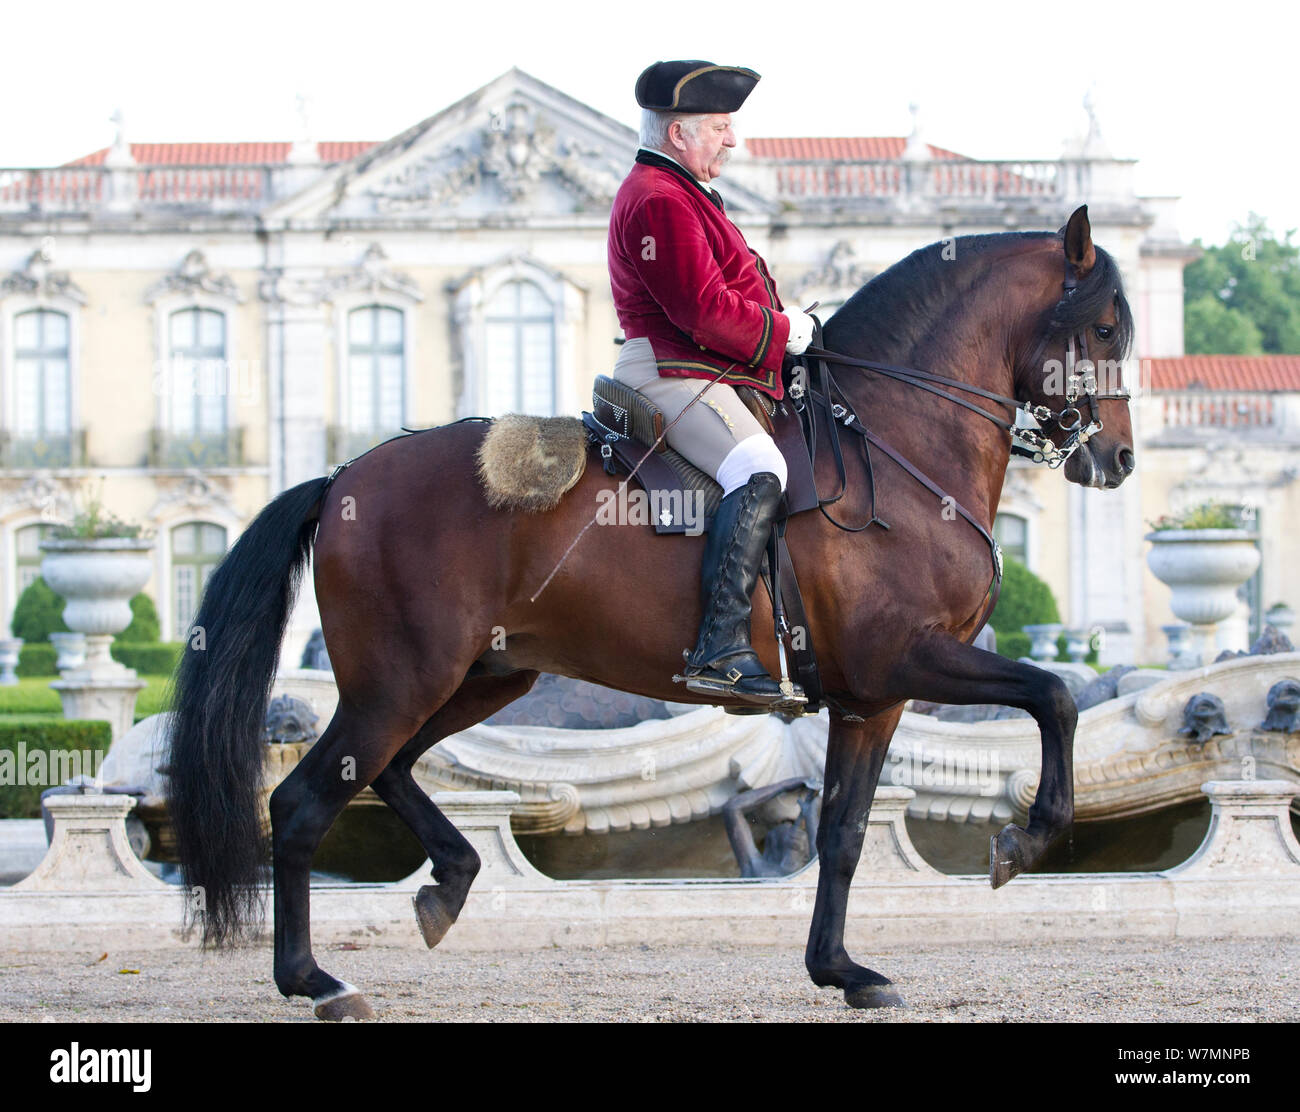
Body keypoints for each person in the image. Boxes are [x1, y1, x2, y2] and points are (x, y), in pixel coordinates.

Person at [607, 60, 815, 707]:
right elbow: (700, 312)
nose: (732, 140)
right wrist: (786, 333)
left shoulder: (680, 192)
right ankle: (720, 650)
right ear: (678, 133)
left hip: (703, 367)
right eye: (721, 127)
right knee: (759, 468)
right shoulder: (660, 199)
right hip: (671, 371)